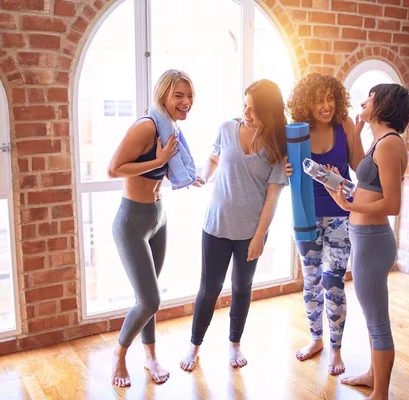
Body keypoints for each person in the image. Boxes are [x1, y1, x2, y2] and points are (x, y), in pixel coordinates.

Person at [179, 79, 289, 372]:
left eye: (253, 109)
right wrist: (204, 175)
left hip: (250, 233)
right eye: (244, 105)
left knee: (242, 288)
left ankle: (234, 344)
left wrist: (259, 237)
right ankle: (194, 345)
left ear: (269, 112)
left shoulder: (278, 146)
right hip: (216, 225)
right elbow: (214, 158)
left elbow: (272, 197)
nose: (246, 113)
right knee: (210, 289)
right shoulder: (227, 129)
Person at [107, 69, 204, 387]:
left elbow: (168, 166)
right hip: (132, 223)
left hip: (157, 217)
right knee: (149, 301)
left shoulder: (170, 126)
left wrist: (189, 176)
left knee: (147, 296)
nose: (186, 102)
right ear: (163, 95)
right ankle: (119, 355)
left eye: (189, 96)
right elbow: (114, 169)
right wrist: (158, 158)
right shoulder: (146, 126)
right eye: (179, 96)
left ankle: (150, 357)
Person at [325, 83, 409, 400]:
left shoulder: (389, 145)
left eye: (370, 98)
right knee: (372, 316)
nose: (362, 102)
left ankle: (381, 394)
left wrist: (349, 206)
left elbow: (392, 204)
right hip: (365, 239)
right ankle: (373, 377)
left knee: (377, 322)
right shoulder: (382, 141)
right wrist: (343, 188)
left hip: (373, 241)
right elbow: (369, 183)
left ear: (383, 105)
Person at [285, 72, 364, 375]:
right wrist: (286, 165)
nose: (326, 105)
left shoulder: (344, 126)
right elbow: (283, 169)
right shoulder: (296, 131)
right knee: (311, 282)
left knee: (334, 282)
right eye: (319, 100)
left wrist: (361, 136)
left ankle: (337, 349)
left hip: (341, 216)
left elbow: (360, 166)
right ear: (307, 103)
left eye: (330, 98)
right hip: (306, 216)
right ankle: (316, 339)